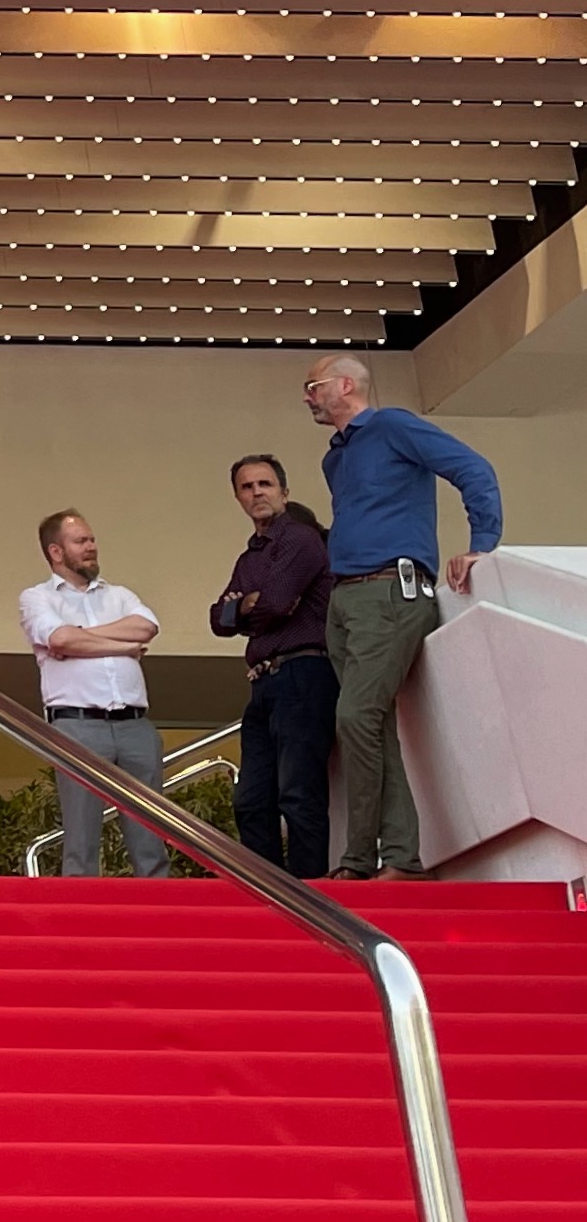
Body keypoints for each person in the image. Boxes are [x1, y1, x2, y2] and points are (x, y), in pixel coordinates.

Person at [305, 354, 504, 880]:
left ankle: (358, 859)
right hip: (347, 595)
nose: (307, 395)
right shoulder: (336, 457)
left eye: (314, 385)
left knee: (356, 717)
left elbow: (472, 468)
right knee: (371, 723)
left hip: (390, 589)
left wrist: (483, 544)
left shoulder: (392, 425)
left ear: (345, 385)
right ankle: (400, 858)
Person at [16, 512, 172, 882]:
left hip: (135, 723)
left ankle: (160, 913)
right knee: (82, 835)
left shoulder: (120, 595)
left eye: (91, 540)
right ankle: (78, 921)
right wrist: (123, 646)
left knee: (151, 833)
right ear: (56, 551)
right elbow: (60, 639)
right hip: (77, 725)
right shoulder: (36, 598)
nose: (91, 547)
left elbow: (146, 627)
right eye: (80, 542)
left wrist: (84, 637)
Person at [211, 456, 335, 880]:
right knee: (251, 800)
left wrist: (246, 607)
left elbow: (277, 603)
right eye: (247, 487)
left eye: (265, 484)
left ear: (284, 491)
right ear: (238, 497)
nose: (256, 492)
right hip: (263, 682)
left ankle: (311, 894)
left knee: (299, 794)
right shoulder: (251, 556)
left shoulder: (300, 540)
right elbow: (217, 620)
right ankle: (270, 892)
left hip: (304, 673)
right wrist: (248, 606)